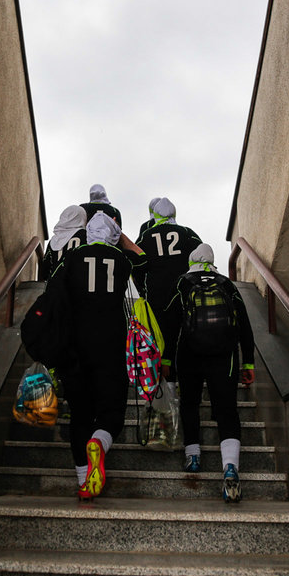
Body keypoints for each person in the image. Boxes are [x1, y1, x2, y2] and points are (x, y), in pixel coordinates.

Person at [48, 211, 144, 499]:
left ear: (87, 234)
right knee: (111, 411)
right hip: (111, 344)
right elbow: (144, 260)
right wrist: (120, 237)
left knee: (79, 414)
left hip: (75, 346)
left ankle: (84, 480)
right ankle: (99, 445)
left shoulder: (69, 259)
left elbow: (53, 298)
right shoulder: (122, 260)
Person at [166, 243, 255, 503]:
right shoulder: (227, 285)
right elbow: (245, 326)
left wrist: (166, 359)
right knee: (226, 408)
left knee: (190, 403)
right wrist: (248, 363)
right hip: (224, 356)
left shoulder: (182, 283)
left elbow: (170, 325)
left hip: (189, 353)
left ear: (192, 260)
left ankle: (193, 456)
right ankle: (230, 467)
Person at [132, 197, 202, 378]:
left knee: (158, 335)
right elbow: (201, 256)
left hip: (156, 293)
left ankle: (160, 381)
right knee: (182, 333)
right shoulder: (187, 233)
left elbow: (136, 264)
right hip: (183, 291)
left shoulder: (146, 235)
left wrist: (142, 289)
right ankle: (182, 377)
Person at [39, 205, 87, 280]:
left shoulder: (54, 239)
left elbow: (45, 269)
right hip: (78, 282)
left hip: (55, 284)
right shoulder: (86, 236)